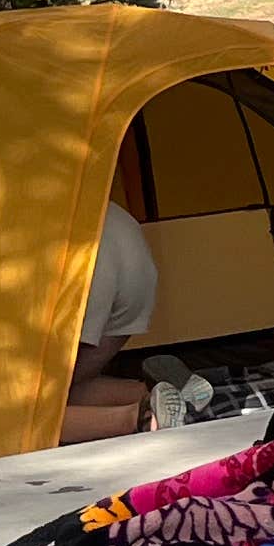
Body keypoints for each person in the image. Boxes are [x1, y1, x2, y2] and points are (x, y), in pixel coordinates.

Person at [64, 165, 160, 443]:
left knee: (25, 408)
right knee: (66, 388)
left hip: (83, 262)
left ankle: (140, 418)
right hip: (127, 243)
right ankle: (155, 395)